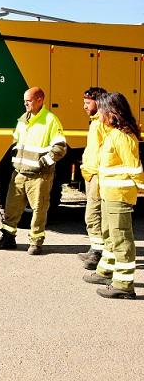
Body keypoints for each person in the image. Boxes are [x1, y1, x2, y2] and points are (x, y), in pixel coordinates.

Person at [0, 87, 66, 255]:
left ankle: (36, 242)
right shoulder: (24, 119)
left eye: (28, 100)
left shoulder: (50, 120)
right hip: (19, 173)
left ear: (40, 100)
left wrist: (43, 163)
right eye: (24, 101)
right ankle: (8, 238)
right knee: (11, 208)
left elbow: (60, 148)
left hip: (39, 175)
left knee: (39, 209)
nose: (25, 103)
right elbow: (16, 141)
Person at [82, 92, 140, 299]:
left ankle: (124, 285)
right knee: (109, 233)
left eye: (103, 110)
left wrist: (140, 190)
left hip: (119, 195)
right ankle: (106, 271)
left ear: (113, 112)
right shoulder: (113, 134)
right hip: (109, 193)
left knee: (121, 237)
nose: (100, 114)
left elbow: (135, 169)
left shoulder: (123, 136)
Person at [78, 87, 107, 269]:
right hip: (91, 173)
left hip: (98, 174)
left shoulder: (104, 122)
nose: (84, 106)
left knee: (93, 215)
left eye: (87, 103)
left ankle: (98, 252)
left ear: (99, 102)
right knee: (93, 214)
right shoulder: (95, 121)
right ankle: (95, 248)